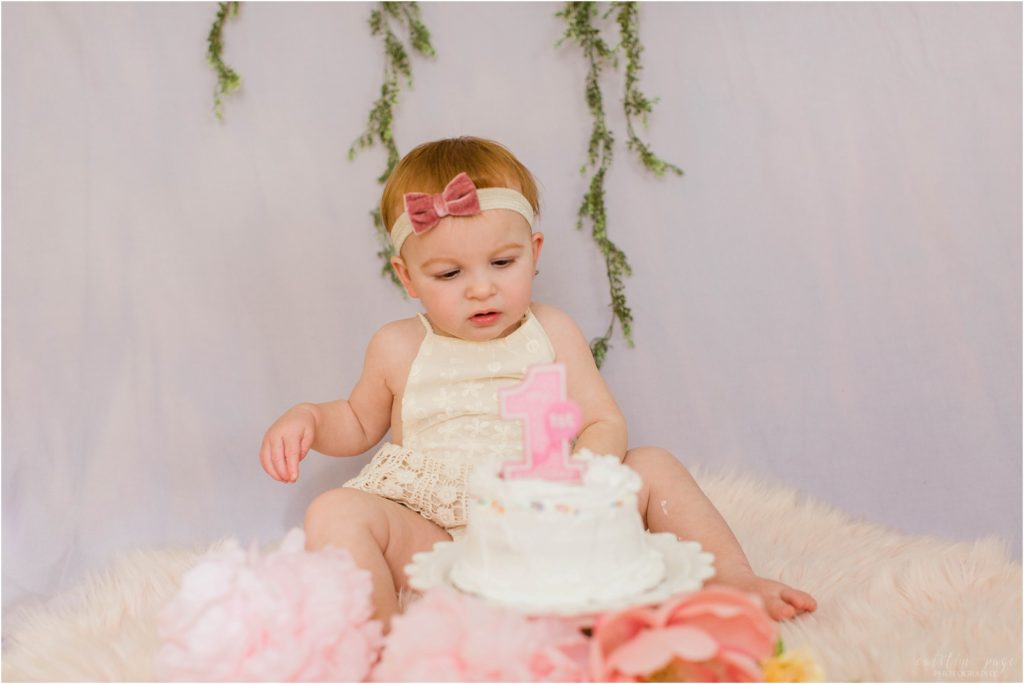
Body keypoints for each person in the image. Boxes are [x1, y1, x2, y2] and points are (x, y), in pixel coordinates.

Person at [259, 136, 817, 630]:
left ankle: (733, 578)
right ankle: (375, 645)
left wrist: (572, 478)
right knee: (334, 510)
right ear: (407, 276)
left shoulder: (551, 330)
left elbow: (602, 421)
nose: (481, 289)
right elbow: (357, 422)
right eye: (450, 274)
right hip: (440, 544)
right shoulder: (397, 345)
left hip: (551, 531)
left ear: (535, 252)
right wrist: (309, 417)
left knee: (654, 464)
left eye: (502, 262)